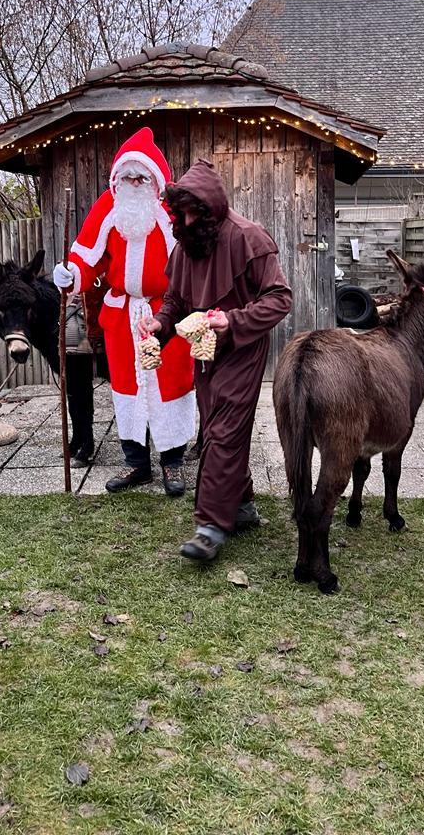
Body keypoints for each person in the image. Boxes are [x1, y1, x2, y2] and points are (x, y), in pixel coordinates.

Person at [142, 159, 292, 561]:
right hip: (203, 352)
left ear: (210, 208)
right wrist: (159, 323)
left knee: (224, 432)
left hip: (242, 350)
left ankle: (209, 528)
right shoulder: (185, 246)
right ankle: (242, 507)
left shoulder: (248, 237)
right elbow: (175, 300)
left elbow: (280, 298)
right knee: (215, 430)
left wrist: (233, 320)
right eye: (180, 213)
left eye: (193, 212)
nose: (186, 221)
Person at [53, 127, 196, 495]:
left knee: (170, 384)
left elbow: (192, 259)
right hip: (122, 316)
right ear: (118, 178)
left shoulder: (171, 211)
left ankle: (172, 463)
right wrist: (70, 274)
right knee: (127, 388)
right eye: (128, 176)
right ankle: (136, 463)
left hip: (165, 313)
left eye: (141, 177)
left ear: (154, 180)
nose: (134, 183)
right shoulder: (108, 208)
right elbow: (87, 257)